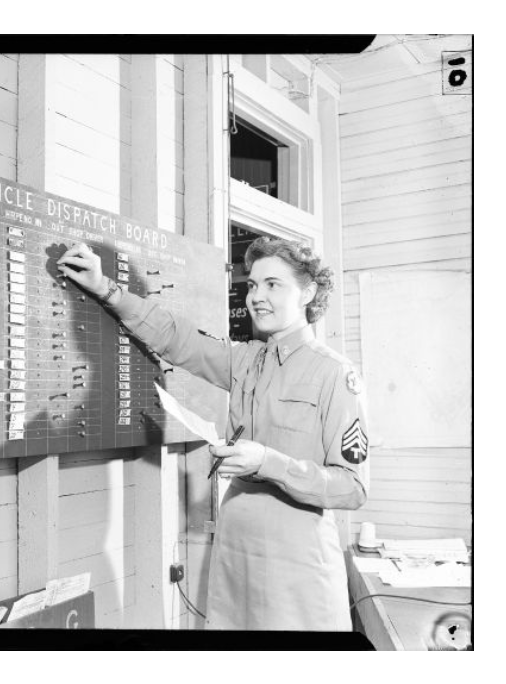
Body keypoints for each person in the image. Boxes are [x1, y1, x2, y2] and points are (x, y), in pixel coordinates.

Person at [56, 236, 371, 631]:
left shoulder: (335, 373)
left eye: (273, 284)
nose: (256, 296)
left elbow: (353, 487)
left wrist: (267, 462)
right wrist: (106, 288)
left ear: (307, 292)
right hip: (236, 556)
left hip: (298, 567)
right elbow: (176, 337)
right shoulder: (245, 359)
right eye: (253, 284)